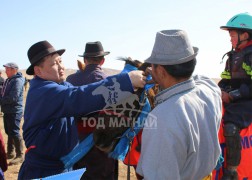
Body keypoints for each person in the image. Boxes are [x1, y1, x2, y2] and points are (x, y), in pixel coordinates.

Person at [18, 40, 146, 180]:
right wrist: (126, 81)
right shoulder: (44, 92)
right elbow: (79, 97)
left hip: (63, 167)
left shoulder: (61, 85)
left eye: (60, 61)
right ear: (38, 71)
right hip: (44, 171)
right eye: (54, 64)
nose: (61, 67)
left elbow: (82, 91)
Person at [135, 29, 222, 180]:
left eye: (153, 66)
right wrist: (161, 75)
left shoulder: (162, 118)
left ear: (161, 71)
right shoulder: (209, 90)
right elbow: (197, 79)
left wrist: (159, 76)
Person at [67, 41, 117, 179]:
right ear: (102, 60)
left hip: (76, 145)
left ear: (85, 59)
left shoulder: (71, 80)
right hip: (103, 146)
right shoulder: (111, 82)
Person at [218, 12, 252, 179]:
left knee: (231, 124)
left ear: (244, 35)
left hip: (248, 100)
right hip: (237, 98)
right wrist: (218, 91)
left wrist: (232, 96)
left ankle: (231, 170)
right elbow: (225, 80)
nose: (230, 39)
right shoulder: (232, 56)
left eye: (232, 35)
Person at [0, 62, 24, 166]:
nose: (5, 71)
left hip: (14, 110)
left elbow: (13, 97)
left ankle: (20, 155)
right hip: (8, 110)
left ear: (14, 70)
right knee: (9, 131)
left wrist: (1, 100)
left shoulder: (17, 81)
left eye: (8, 69)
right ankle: (10, 152)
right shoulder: (9, 80)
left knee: (14, 131)